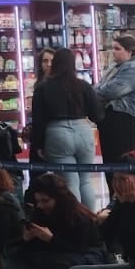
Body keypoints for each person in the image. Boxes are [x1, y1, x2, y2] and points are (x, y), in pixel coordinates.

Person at [30, 47, 103, 211]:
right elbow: (97, 114)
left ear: (55, 64)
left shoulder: (43, 87)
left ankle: (74, 224)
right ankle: (91, 221)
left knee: (69, 183)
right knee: (85, 180)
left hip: (57, 132)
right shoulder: (83, 85)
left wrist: (39, 145)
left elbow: (39, 120)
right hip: (83, 131)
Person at [93, 34, 135, 174]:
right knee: (111, 167)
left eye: (118, 48)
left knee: (124, 169)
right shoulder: (114, 68)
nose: (113, 51)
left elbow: (112, 90)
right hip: (111, 123)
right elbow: (101, 88)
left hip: (126, 124)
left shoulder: (133, 69)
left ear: (129, 51)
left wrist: (96, 91)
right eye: (113, 48)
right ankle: (115, 195)